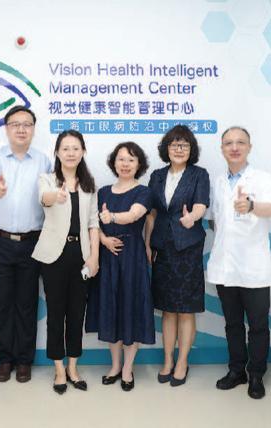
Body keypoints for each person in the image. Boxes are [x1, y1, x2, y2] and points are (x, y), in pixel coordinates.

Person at [207, 126, 271, 399]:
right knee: (233, 324)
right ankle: (236, 370)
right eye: (228, 143)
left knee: (258, 325)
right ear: (222, 149)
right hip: (225, 265)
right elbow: (215, 219)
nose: (234, 147)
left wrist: (250, 206)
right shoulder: (217, 182)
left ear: (249, 147)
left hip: (253, 267)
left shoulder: (262, 178)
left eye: (240, 142)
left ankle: (256, 374)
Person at [0, 106, 51, 383]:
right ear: (6, 128)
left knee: (26, 303)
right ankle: (4, 360)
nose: (21, 129)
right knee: (1, 303)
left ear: (33, 129)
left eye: (27, 124)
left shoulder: (44, 161)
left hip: (32, 242)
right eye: (15, 124)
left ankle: (24, 360)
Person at [31, 130, 100, 395]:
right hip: (53, 256)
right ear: (57, 152)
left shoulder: (89, 184)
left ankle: (73, 367)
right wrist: (55, 196)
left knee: (76, 313)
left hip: (80, 255)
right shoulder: (47, 179)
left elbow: (93, 222)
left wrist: (94, 257)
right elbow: (44, 198)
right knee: (56, 313)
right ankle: (59, 368)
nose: (71, 153)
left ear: (83, 152)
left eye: (75, 148)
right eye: (65, 148)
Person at [85, 142, 154, 392]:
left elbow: (134, 215)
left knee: (131, 309)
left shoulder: (144, 192)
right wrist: (104, 239)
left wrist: (112, 217)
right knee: (110, 310)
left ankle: (128, 368)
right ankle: (114, 366)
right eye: (121, 159)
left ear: (139, 165)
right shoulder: (102, 192)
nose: (125, 164)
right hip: (107, 257)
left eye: (131, 160)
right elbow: (93, 223)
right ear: (114, 162)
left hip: (132, 257)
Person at [144, 125, 209, 387]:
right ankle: (168, 360)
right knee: (167, 310)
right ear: (166, 149)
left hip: (187, 248)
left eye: (184, 145)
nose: (179, 149)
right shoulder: (157, 176)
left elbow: (201, 205)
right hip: (162, 248)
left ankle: (182, 362)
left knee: (185, 310)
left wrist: (192, 217)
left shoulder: (199, 174)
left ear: (191, 149)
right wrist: (148, 244)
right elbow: (152, 214)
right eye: (174, 145)